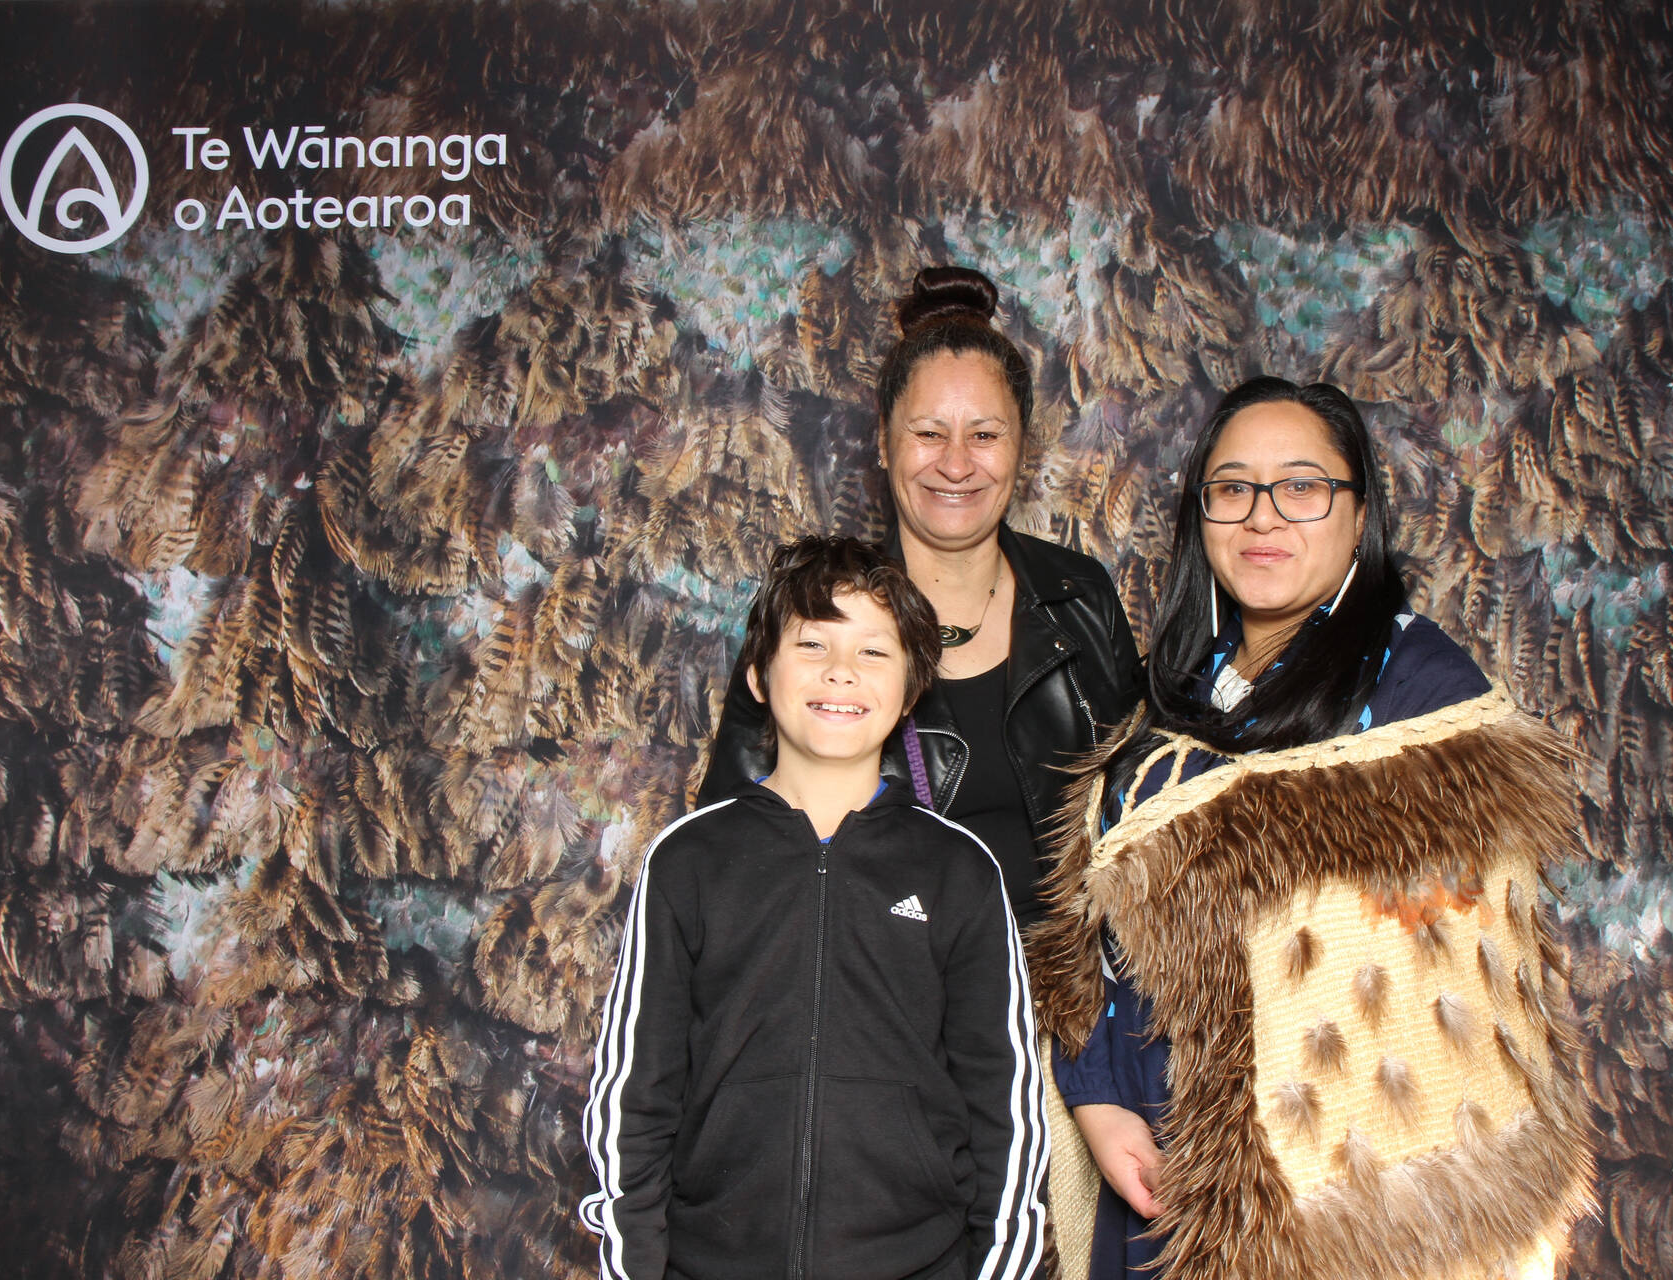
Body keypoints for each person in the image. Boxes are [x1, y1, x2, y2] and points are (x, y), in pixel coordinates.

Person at [1027, 378, 1596, 1280]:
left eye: (1301, 486)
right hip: (1150, 1170)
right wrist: (1098, 1097)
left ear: (1358, 512)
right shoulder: (1180, 681)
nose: (1263, 516)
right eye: (1232, 488)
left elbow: (1451, 997)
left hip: (1328, 1205)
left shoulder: (1420, 688)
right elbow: (1095, 932)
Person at [582, 536, 1047, 1280]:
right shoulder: (690, 859)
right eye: (812, 644)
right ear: (759, 675)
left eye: (874, 652)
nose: (841, 671)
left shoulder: (958, 870)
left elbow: (1005, 1103)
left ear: (911, 688)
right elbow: (636, 1090)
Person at [701, 267, 1141, 927]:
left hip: (1077, 973)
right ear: (883, 442)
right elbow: (725, 854)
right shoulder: (811, 613)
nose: (956, 464)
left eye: (985, 435)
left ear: (1022, 447)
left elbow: (1147, 808)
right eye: (929, 433)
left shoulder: (1081, 596)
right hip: (894, 977)